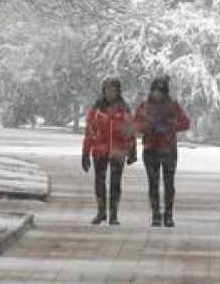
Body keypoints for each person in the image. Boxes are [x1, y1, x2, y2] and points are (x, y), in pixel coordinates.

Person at [133, 75, 190, 227]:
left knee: (169, 183)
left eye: (161, 91)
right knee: (153, 183)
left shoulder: (173, 106)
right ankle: (156, 214)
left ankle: (169, 214)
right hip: (151, 149)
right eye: (155, 91)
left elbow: (186, 122)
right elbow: (135, 124)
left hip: (168, 149)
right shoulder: (145, 106)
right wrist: (147, 126)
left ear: (165, 92)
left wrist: (171, 127)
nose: (157, 94)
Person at [81, 78, 136, 225]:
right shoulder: (96, 110)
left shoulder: (124, 110)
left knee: (115, 184)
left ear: (118, 92)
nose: (110, 93)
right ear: (103, 91)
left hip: (118, 152)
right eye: (108, 90)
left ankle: (114, 214)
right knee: (99, 182)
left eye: (114, 90)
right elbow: (89, 132)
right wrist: (85, 153)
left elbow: (130, 131)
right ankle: (101, 212)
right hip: (100, 151)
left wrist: (132, 150)